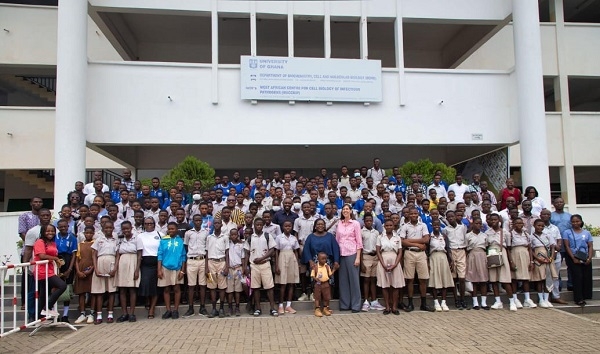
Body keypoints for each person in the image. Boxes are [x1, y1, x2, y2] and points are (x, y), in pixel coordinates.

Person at [399, 207, 434, 312]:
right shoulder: (405, 226)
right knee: (409, 279)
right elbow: (402, 241)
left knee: (423, 279)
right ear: (409, 215)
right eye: (412, 213)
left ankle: (424, 303)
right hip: (410, 253)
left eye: (415, 213)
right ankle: (410, 303)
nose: (414, 215)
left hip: (421, 254)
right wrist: (418, 244)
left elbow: (426, 239)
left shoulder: (423, 225)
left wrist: (410, 240)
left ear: (418, 215)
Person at [243, 218, 278, 317]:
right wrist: (245, 266)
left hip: (265, 264)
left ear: (263, 225)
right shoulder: (250, 238)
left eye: (260, 224)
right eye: (257, 225)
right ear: (254, 225)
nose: (258, 226)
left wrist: (263, 257)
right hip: (254, 266)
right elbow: (246, 253)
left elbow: (272, 250)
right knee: (256, 287)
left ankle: (272, 308)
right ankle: (258, 308)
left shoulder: (267, 236)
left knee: (269, 287)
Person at [32, 224, 67, 318]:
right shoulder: (40, 242)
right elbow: (42, 256)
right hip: (42, 270)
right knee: (62, 285)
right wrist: (55, 258)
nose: (50, 233)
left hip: (50, 269)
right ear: (43, 232)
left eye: (52, 231)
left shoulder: (53, 243)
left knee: (44, 294)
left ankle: (38, 317)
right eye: (48, 231)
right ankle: (47, 307)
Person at [485, 213, 517, 311]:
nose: (494, 222)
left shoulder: (505, 232)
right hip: (491, 254)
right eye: (492, 220)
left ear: (499, 221)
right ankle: (498, 301)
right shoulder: (487, 233)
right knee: (494, 280)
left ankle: (512, 301)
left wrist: (511, 260)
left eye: (495, 220)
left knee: (505, 279)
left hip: (502, 253)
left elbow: (508, 247)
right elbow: (486, 246)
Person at [335, 204, 363, 313]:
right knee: (343, 281)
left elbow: (359, 241)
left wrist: (358, 258)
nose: (345, 211)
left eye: (347, 209)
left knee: (354, 281)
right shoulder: (339, 224)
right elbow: (337, 240)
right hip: (342, 254)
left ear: (351, 211)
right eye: (344, 209)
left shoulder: (355, 224)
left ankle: (356, 305)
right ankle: (345, 304)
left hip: (352, 253)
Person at [562, 214, 593, 306]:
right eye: (573, 222)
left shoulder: (587, 233)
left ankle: (585, 296)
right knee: (577, 277)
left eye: (577, 221)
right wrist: (573, 258)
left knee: (586, 277)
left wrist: (589, 258)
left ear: (581, 222)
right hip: (573, 257)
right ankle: (578, 298)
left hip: (585, 256)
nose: (575, 223)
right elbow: (567, 246)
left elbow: (590, 246)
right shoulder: (567, 232)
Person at [91, 220, 118, 324]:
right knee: (99, 291)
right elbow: (94, 254)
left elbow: (118, 254)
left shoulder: (115, 240)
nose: (108, 230)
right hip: (100, 262)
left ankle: (110, 314)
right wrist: (96, 268)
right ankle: (99, 315)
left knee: (111, 290)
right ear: (103, 228)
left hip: (111, 262)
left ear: (113, 228)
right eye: (106, 228)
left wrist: (115, 268)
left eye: (110, 228)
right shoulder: (99, 239)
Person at [157, 222, 187, 319]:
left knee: (176, 289)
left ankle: (175, 310)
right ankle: (168, 310)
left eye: (173, 229)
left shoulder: (180, 241)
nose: (171, 230)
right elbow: (160, 255)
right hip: (165, 267)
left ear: (177, 229)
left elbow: (183, 256)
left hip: (177, 267)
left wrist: (183, 270)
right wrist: (159, 269)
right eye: (169, 229)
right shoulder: (163, 240)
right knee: (166, 289)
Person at [376, 220, 404, 315]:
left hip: (394, 260)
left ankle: (394, 307)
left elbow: (400, 252)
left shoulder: (397, 238)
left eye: (390, 225)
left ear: (393, 226)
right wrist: (383, 264)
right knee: (385, 285)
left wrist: (395, 264)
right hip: (383, 259)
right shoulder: (380, 237)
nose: (388, 227)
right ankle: (387, 306)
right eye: (387, 225)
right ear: (384, 226)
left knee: (395, 284)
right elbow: (378, 251)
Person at [183, 214, 209, 317]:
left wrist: (207, 265)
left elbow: (207, 249)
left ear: (202, 221)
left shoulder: (206, 233)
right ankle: (191, 308)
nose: (198, 222)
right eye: (196, 220)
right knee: (191, 285)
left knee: (203, 285)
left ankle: (202, 307)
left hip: (202, 260)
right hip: (192, 260)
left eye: (199, 220)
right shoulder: (188, 233)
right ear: (193, 222)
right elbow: (185, 247)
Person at [136, 217, 162, 319]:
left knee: (155, 286)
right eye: (146, 223)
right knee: (146, 284)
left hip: (157, 262)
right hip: (145, 263)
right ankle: (147, 300)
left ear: (154, 224)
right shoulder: (140, 236)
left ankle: (152, 309)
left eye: (151, 223)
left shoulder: (160, 235)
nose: (149, 225)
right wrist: (137, 269)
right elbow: (139, 253)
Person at [114, 221, 140, 322]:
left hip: (133, 262)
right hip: (122, 263)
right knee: (122, 289)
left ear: (131, 228)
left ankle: (132, 313)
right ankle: (124, 313)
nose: (126, 231)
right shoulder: (120, 240)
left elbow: (139, 255)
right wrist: (116, 268)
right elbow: (117, 255)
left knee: (132, 289)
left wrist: (137, 269)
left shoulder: (137, 238)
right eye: (124, 229)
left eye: (127, 228)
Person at [54, 219, 78, 323]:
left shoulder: (72, 237)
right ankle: (55, 313)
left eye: (65, 226)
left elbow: (74, 255)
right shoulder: (54, 237)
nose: (63, 228)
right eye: (61, 227)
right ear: (58, 228)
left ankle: (65, 314)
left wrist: (70, 269)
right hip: (56, 262)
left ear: (68, 227)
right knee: (55, 288)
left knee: (67, 289)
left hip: (68, 261)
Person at [443, 210, 468, 309]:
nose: (450, 218)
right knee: (453, 277)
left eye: (452, 216)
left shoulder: (462, 228)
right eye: (448, 217)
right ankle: (456, 299)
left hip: (461, 250)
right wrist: (449, 257)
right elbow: (446, 244)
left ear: (455, 217)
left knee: (462, 278)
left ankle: (462, 298)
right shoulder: (445, 229)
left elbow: (465, 239)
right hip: (452, 252)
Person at [275, 220, 300, 315]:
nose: (288, 228)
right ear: (282, 227)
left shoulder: (294, 238)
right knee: (283, 283)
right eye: (286, 226)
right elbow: (276, 251)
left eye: (289, 226)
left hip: (292, 258)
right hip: (282, 257)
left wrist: (297, 263)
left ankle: (288, 305)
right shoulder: (278, 238)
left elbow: (296, 251)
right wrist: (277, 265)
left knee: (291, 283)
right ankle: (280, 305)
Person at [428, 220, 454, 312]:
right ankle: (436, 302)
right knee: (434, 280)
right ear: (432, 226)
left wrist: (451, 260)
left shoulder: (444, 236)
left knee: (444, 280)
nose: (436, 226)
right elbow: (427, 250)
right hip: (433, 257)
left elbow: (448, 248)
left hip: (443, 257)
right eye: (434, 225)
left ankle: (443, 302)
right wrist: (427, 262)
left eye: (438, 225)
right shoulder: (429, 237)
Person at [360, 214, 385, 312]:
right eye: (367, 220)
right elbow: (360, 247)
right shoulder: (361, 232)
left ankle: (374, 301)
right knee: (366, 279)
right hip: (366, 256)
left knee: (373, 280)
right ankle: (366, 301)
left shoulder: (377, 233)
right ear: (364, 221)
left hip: (375, 257)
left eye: (370, 220)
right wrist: (361, 262)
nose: (369, 222)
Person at [205, 218, 229, 318]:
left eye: (219, 223)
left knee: (222, 286)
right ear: (213, 225)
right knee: (211, 286)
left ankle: (222, 308)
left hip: (221, 262)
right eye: (215, 223)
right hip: (211, 263)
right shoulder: (209, 237)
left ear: (221, 225)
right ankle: (214, 309)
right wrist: (206, 267)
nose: (217, 224)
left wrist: (227, 266)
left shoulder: (225, 237)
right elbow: (206, 252)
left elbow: (227, 252)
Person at [530, 219, 556, 308]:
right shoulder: (531, 237)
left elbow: (552, 247)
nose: (540, 227)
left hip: (548, 258)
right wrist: (537, 259)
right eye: (538, 225)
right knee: (540, 279)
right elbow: (531, 250)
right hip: (538, 259)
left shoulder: (547, 235)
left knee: (548, 278)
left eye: (542, 226)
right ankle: (541, 299)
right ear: (534, 226)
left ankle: (546, 299)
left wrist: (551, 257)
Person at [509, 218, 533, 311]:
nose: (519, 224)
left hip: (525, 254)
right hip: (515, 254)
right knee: (515, 277)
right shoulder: (510, 234)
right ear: (513, 224)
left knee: (525, 277)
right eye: (517, 223)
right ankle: (515, 299)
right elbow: (508, 249)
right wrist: (511, 261)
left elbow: (530, 248)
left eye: (521, 223)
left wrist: (531, 261)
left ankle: (527, 299)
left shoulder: (526, 234)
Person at [465, 217, 488, 310]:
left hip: (482, 255)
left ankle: (484, 302)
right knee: (473, 279)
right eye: (476, 223)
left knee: (483, 280)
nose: (478, 225)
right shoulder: (468, 236)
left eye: (480, 223)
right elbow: (466, 248)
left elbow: (486, 247)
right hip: (472, 255)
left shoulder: (484, 235)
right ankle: (475, 302)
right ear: (472, 224)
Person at [550, 197, 572, 291]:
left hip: (568, 245)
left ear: (564, 204)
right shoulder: (551, 216)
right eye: (557, 202)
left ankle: (571, 284)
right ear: (554, 204)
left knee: (570, 265)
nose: (559, 204)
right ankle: (558, 285)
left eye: (561, 202)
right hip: (556, 245)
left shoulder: (569, 216)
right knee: (556, 266)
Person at [226, 228, 245, 317]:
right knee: (230, 290)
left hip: (238, 269)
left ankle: (237, 307)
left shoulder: (241, 245)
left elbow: (243, 258)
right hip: (229, 269)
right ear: (229, 236)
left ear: (238, 235)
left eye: (235, 235)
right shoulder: (227, 245)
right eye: (232, 235)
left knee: (238, 289)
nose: (233, 236)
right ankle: (230, 307)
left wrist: (244, 268)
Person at [311, 252, 334, 317]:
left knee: (326, 297)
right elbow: (312, 275)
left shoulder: (327, 266)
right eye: (322, 259)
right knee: (317, 297)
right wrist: (316, 279)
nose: (324, 260)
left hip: (325, 283)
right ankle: (317, 309)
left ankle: (325, 308)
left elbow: (330, 275)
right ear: (318, 259)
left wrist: (334, 269)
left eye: (325, 259)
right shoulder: (315, 267)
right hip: (318, 284)